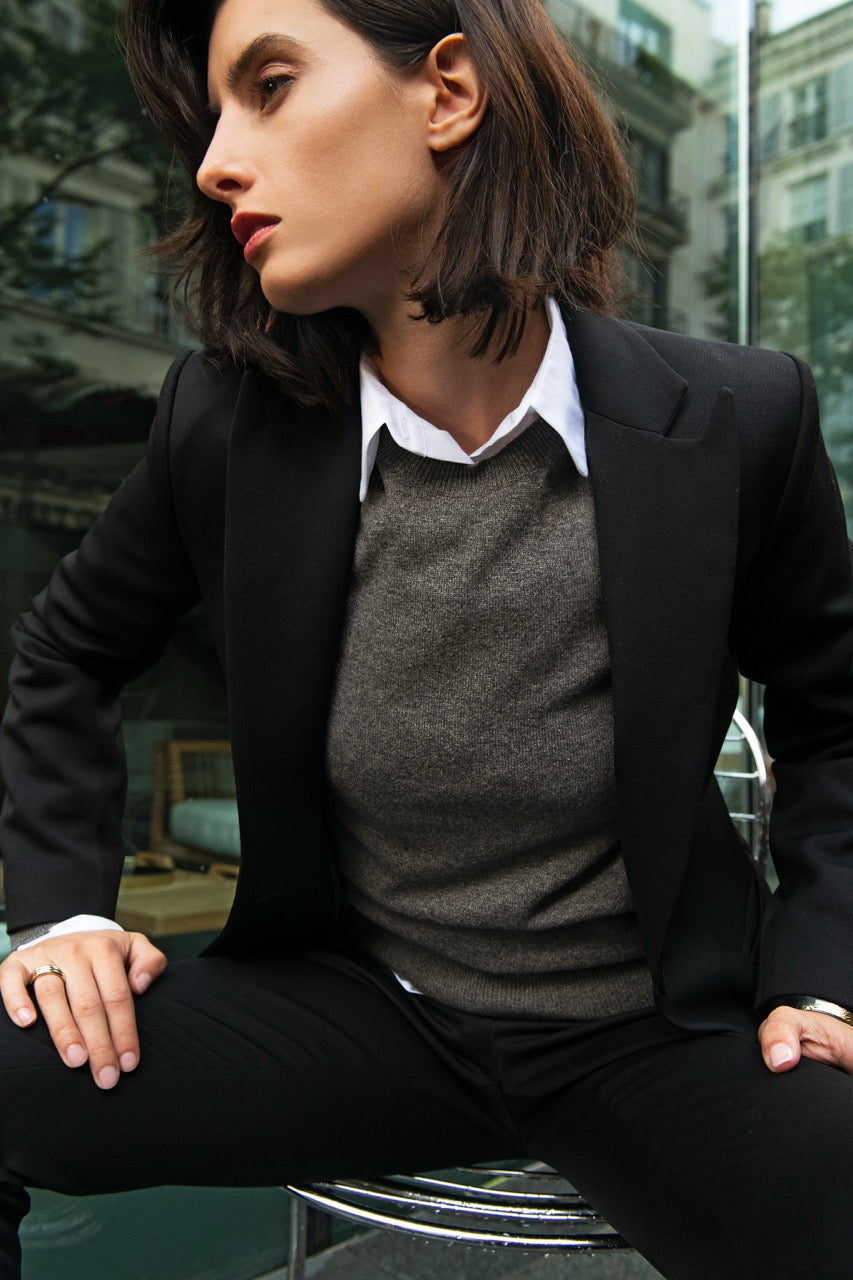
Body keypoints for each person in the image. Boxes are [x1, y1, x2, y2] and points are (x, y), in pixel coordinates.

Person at [1, 0, 853, 1276]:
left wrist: (824, 973)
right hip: (353, 1012)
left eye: (268, 86)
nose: (216, 162)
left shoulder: (739, 415)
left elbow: (836, 720)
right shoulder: (223, 426)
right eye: (214, 116)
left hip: (662, 1033)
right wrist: (62, 914)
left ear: (447, 91)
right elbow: (66, 654)